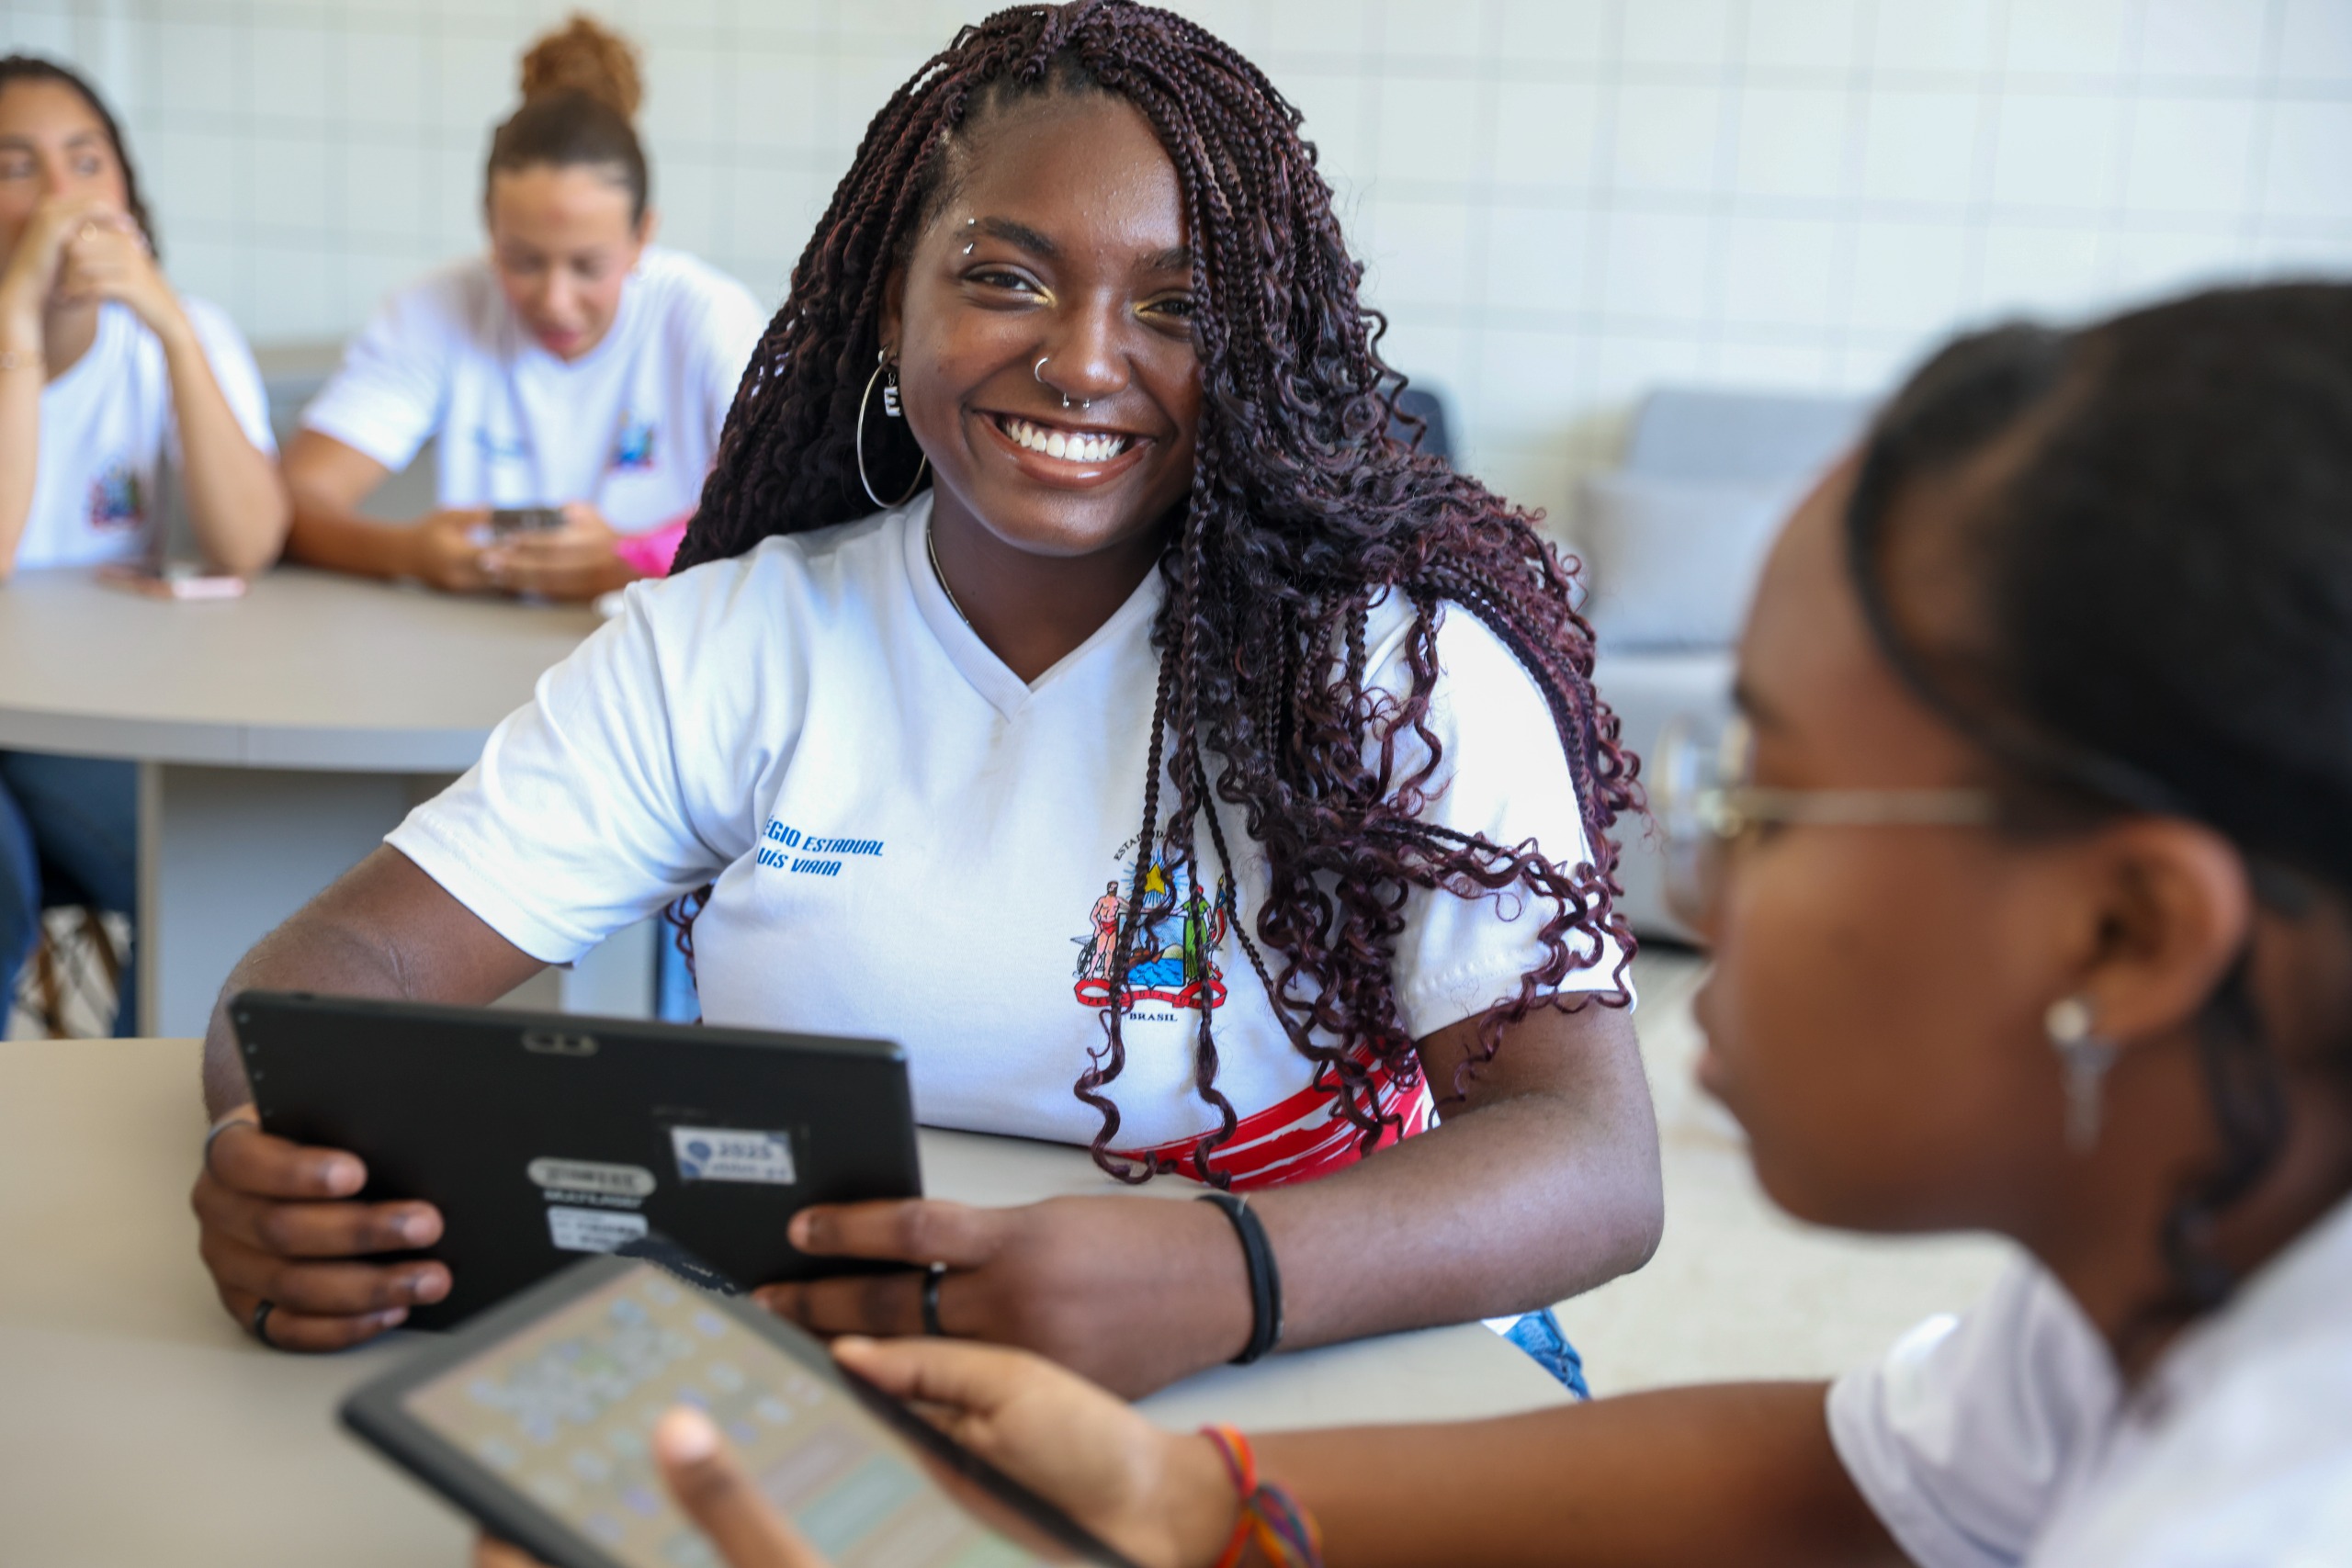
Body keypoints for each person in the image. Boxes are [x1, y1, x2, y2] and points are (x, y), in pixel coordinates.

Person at [627, 280, 2352, 1568]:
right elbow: (1857, 1483)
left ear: (2127, 935)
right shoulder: (2158, 1286)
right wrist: (1190, 1499)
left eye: (1772, 804)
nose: (1690, 886)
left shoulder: (2270, 1509)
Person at [190, 0, 1662, 1397]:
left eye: (1177, 306)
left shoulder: (1388, 670)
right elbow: (333, 978)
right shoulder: (733, 643)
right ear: (890, 304)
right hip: (856, 1378)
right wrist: (286, 1161)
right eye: (1006, 278)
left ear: (1262, 351)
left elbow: (1589, 1151)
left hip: (1341, 1364)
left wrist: (1223, 1273)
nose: (1082, 361)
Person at [281, 14, 764, 603]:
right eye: (523, 261)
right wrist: (408, 553)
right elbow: (295, 500)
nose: (555, 302)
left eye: (588, 266)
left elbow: (783, 509)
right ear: (489, 228)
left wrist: (632, 559)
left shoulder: (708, 317)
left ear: (642, 237)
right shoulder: (435, 310)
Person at [0, 54, 287, 1034]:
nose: (61, 197)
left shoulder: (180, 333)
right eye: (17, 167)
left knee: (209, 872)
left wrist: (170, 325)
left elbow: (249, 541)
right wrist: (17, 320)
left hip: (89, 722)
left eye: (86, 162)